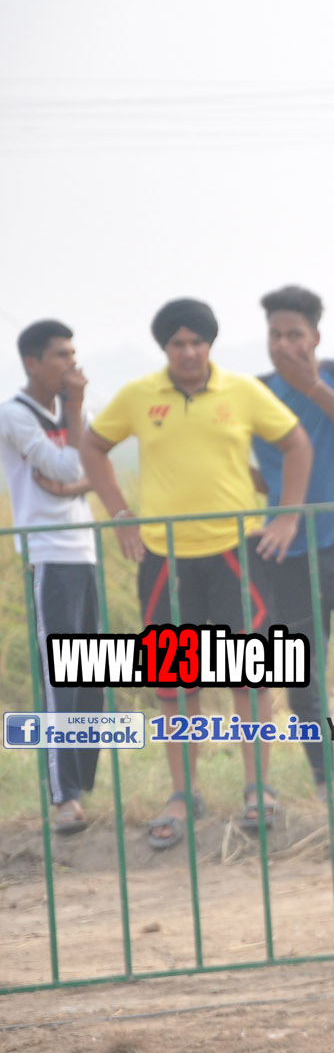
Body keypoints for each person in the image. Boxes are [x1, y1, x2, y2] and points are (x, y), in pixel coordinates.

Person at [81, 299, 313, 849]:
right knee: (174, 682)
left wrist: (287, 515)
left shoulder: (242, 392)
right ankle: (184, 795)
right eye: (178, 343)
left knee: (250, 678)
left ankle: (258, 788)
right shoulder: (140, 396)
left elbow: (296, 442)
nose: (188, 352)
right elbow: (93, 445)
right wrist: (119, 513)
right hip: (165, 557)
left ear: (210, 344)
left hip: (236, 553)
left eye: (197, 342)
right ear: (165, 348)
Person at [252, 285, 334, 799]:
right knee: (300, 676)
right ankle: (325, 780)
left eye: (295, 334)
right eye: (275, 335)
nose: (284, 345)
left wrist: (311, 386)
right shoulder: (255, 391)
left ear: (316, 338)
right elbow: (244, 465)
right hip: (284, 551)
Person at [1, 320, 102, 834]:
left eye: (72, 353)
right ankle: (65, 797)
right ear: (32, 363)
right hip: (48, 555)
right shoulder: (16, 415)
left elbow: (92, 469)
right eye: (60, 355)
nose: (71, 363)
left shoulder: (72, 412)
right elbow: (68, 468)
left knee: (93, 675)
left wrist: (75, 479)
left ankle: (85, 784)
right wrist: (77, 414)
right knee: (61, 676)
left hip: (85, 551)